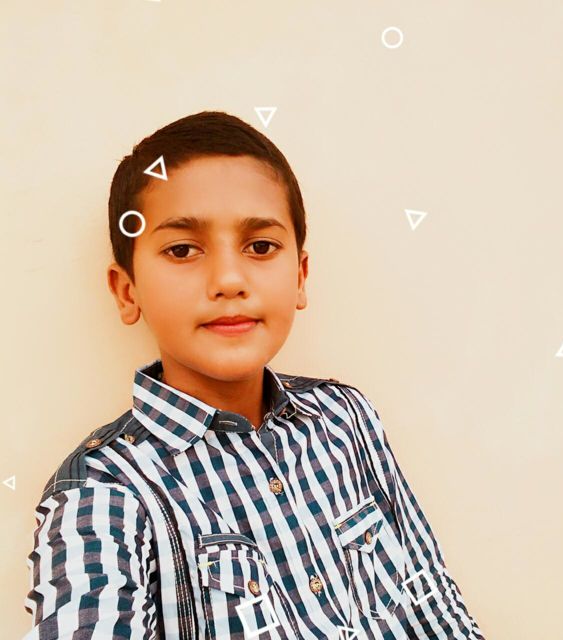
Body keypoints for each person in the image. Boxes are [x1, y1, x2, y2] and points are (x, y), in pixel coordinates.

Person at [23, 111, 485, 639]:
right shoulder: (100, 494)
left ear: (300, 277)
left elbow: (432, 597)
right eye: (182, 250)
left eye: (260, 247)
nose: (228, 279)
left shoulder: (346, 418)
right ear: (127, 291)